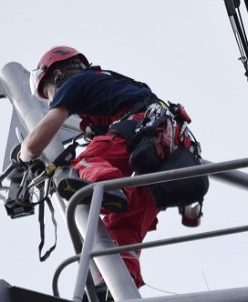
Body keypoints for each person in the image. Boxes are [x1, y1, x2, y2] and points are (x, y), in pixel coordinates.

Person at [16, 45, 162, 288]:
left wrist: (22, 155)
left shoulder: (76, 83)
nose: (51, 99)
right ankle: (118, 286)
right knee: (123, 224)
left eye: (48, 91)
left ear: (57, 75)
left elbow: (34, 146)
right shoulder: (107, 88)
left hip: (144, 127)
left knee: (86, 162)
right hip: (172, 145)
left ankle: (105, 187)